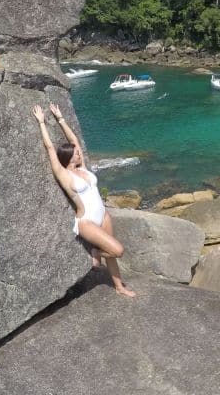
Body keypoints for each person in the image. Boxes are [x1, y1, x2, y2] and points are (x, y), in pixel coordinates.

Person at [32, 103, 136, 298]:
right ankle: (96, 253)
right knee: (118, 250)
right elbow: (50, 150)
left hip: (103, 216)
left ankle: (119, 286)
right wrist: (42, 122)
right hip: (86, 221)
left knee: (112, 255)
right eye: (76, 152)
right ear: (69, 157)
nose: (79, 152)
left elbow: (74, 139)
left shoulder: (83, 168)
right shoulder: (65, 175)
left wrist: (61, 119)